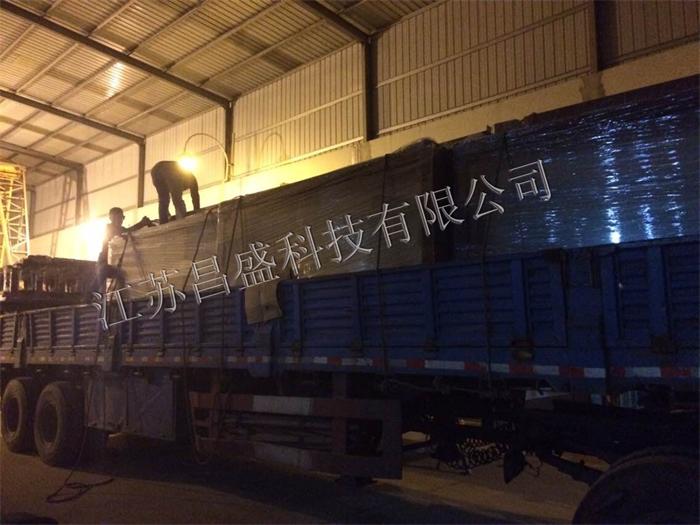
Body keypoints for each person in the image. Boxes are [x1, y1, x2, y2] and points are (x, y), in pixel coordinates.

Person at [93, 207, 152, 293]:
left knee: (121, 275)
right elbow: (120, 232)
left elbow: (128, 230)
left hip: (111, 264)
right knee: (99, 283)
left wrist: (141, 224)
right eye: (118, 217)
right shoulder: (109, 228)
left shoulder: (120, 229)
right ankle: (90, 297)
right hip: (103, 263)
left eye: (122, 217)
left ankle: (119, 296)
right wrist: (140, 224)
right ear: (112, 218)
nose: (121, 220)